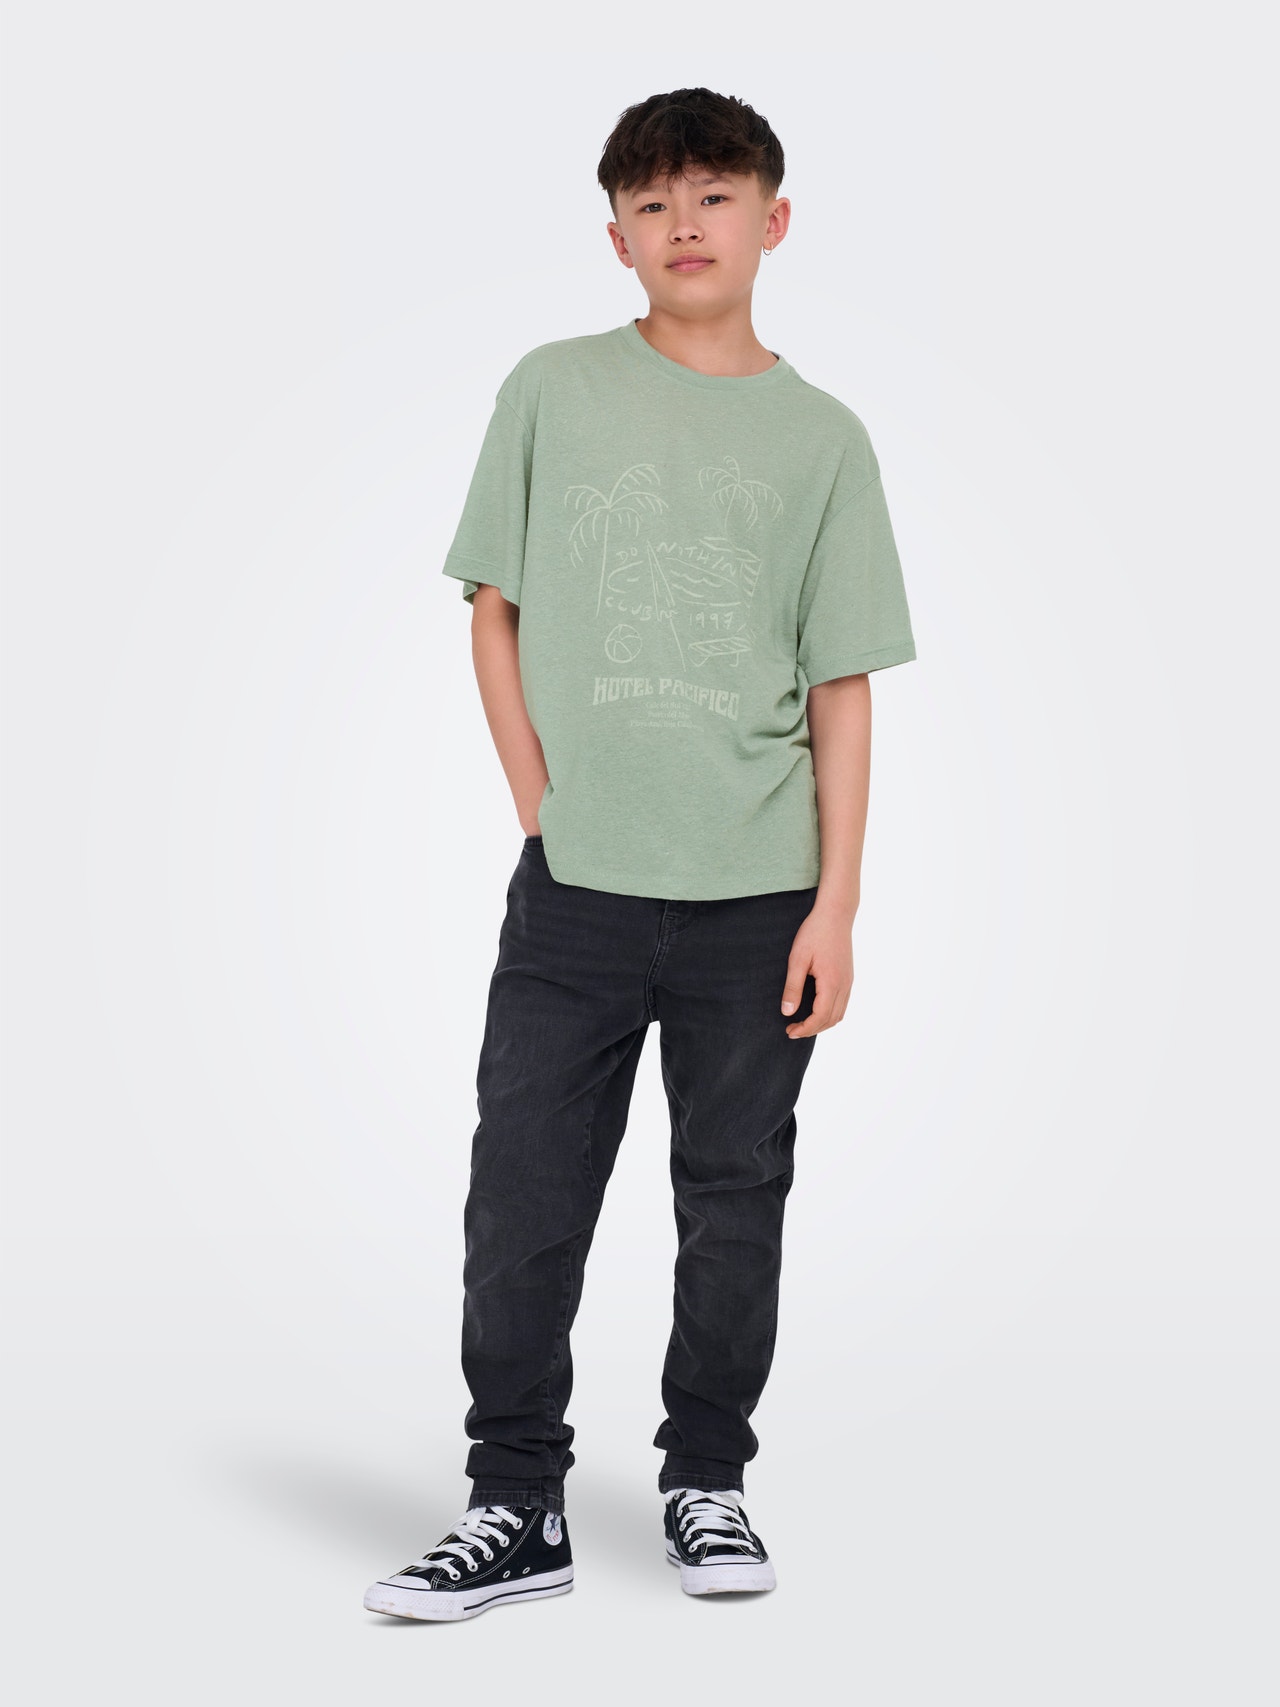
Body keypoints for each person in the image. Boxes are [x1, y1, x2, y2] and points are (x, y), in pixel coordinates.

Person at [364, 85, 917, 1623]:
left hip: (759, 897)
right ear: (615, 235)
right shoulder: (553, 389)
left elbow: (842, 684)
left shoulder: (823, 440)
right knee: (523, 1193)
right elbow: (494, 609)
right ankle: (514, 1501)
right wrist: (541, 809)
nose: (686, 224)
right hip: (578, 895)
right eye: (654, 202)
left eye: (716, 196)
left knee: (734, 1196)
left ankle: (707, 1480)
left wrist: (838, 905)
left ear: (774, 221)